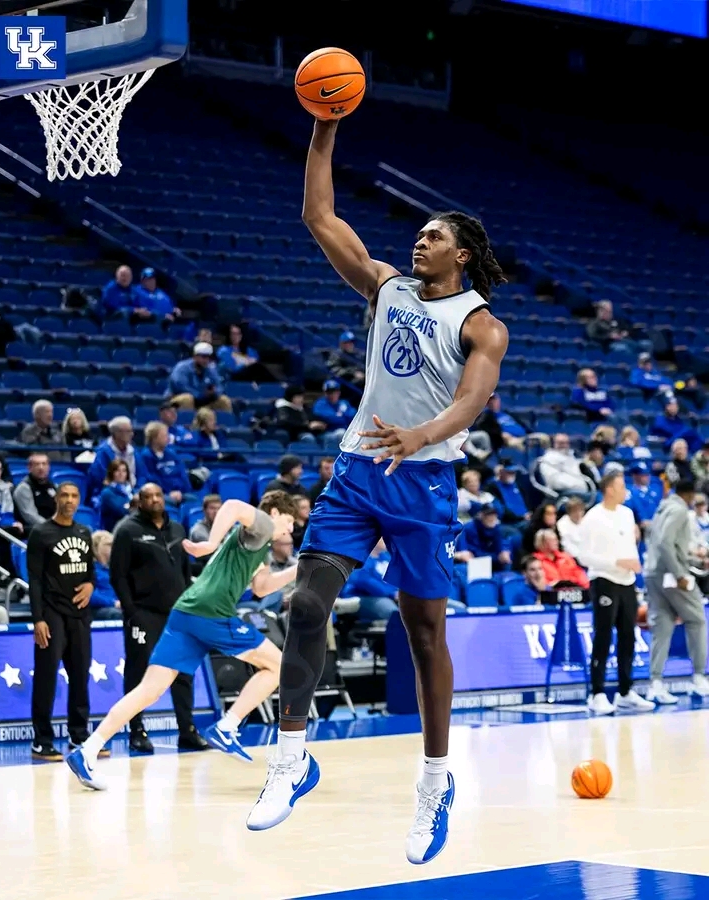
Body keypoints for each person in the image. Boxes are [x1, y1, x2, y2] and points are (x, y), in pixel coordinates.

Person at [247, 117, 508, 866]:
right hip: (359, 470)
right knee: (306, 604)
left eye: (433, 236)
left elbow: (473, 400)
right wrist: (323, 129)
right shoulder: (387, 286)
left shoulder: (482, 325)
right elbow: (319, 215)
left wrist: (424, 434)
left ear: (462, 253)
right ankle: (291, 759)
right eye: (417, 235)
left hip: (422, 482)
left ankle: (434, 783)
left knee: (423, 634)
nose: (419, 242)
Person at [66, 492, 298, 790]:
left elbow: (262, 588)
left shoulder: (260, 543)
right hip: (211, 612)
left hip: (185, 611)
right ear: (275, 513)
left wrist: (299, 569)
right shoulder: (263, 523)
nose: (291, 529)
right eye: (289, 521)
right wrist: (210, 543)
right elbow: (232, 505)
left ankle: (87, 750)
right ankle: (228, 725)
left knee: (149, 690)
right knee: (278, 666)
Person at [110, 483, 205, 753]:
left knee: (183, 672)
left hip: (177, 613)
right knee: (139, 672)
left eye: (158, 495)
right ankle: (136, 730)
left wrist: (189, 606)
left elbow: (185, 573)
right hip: (144, 613)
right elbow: (118, 576)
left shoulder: (178, 529)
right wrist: (132, 612)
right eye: (148, 496)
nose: (154, 500)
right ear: (140, 501)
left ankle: (187, 730)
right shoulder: (127, 531)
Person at [28, 483, 97, 760]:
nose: (70, 500)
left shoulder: (84, 532)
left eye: (74, 496)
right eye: (65, 495)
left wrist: (91, 585)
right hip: (51, 614)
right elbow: (34, 580)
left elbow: (91, 572)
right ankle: (41, 740)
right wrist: (38, 619)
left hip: (79, 614)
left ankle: (78, 734)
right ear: (57, 499)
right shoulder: (41, 532)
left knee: (80, 676)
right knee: (46, 677)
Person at [577, 471, 654, 716]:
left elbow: (628, 546)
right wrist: (616, 562)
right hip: (604, 580)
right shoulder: (593, 517)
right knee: (603, 635)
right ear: (609, 489)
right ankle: (597, 693)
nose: (625, 491)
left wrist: (632, 563)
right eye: (621, 486)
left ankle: (625, 691)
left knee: (628, 636)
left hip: (627, 582)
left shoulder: (627, 514)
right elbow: (583, 556)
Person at [644, 479, 709, 704]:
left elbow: (662, 543)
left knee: (662, 626)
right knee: (697, 620)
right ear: (689, 495)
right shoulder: (680, 510)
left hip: (653, 573)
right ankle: (699, 678)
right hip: (671, 575)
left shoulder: (661, 508)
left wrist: (693, 559)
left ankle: (655, 683)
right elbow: (665, 543)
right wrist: (679, 573)